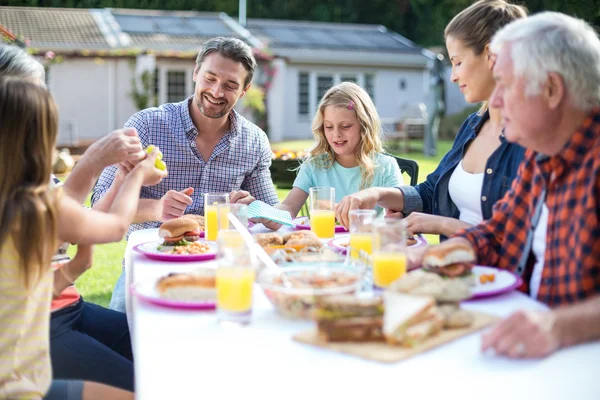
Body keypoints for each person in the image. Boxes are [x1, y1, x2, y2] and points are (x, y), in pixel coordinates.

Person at [411, 12, 600, 359]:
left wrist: (559, 326)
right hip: (525, 347)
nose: (495, 102)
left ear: (552, 89)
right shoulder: (540, 154)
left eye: (506, 86)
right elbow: (498, 232)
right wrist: (429, 255)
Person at [0, 77, 166, 399]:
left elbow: (87, 221)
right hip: (23, 372)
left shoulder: (17, 198)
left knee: (158, 351)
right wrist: (136, 175)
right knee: (147, 389)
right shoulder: (33, 205)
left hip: (42, 328)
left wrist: (120, 176)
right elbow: (116, 226)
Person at [91, 36, 279, 312]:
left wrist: (251, 208)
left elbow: (274, 216)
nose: (216, 92)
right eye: (210, 78)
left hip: (221, 269)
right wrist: (157, 208)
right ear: (195, 72)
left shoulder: (254, 141)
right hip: (151, 267)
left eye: (230, 85)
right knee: (123, 341)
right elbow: (100, 206)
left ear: (245, 89)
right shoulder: (146, 125)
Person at [335, 0, 527, 236]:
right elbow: (430, 192)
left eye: (457, 62)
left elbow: (522, 237)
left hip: (493, 273)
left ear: (490, 56)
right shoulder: (473, 127)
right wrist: (375, 194)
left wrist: (441, 224)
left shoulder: (529, 140)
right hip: (449, 267)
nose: (453, 77)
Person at [262, 81, 402, 230]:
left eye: (346, 126)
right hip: (322, 246)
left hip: (369, 244)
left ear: (364, 125)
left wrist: (397, 217)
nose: (336, 134)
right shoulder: (314, 166)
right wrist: (264, 212)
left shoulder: (386, 166)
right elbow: (288, 207)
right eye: (329, 127)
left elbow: (399, 213)